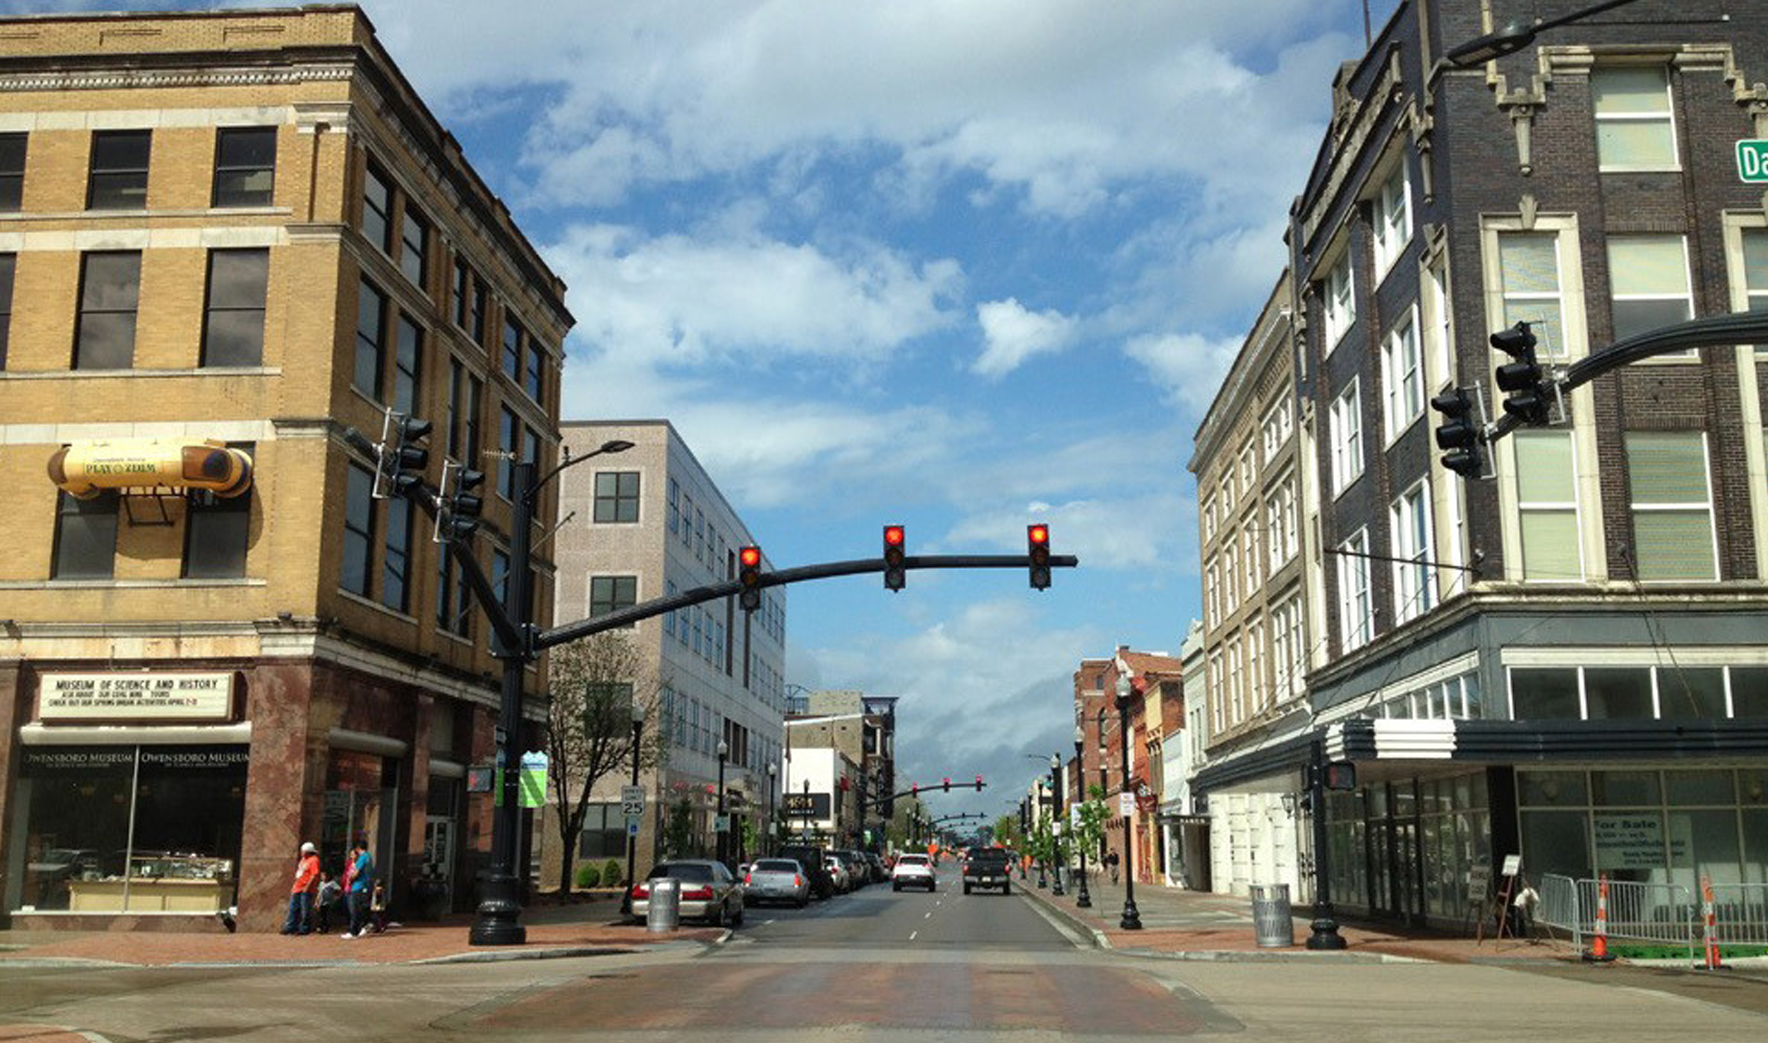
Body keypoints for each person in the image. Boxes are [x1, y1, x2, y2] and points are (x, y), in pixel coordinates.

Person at [281, 842, 320, 935]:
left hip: (306, 888)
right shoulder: (303, 860)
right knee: (293, 908)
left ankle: (304, 928)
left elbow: (314, 875)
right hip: (297, 887)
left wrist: (307, 886)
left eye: (303, 851)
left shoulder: (314, 860)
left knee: (305, 909)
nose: (301, 853)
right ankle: (290, 926)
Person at [342, 844, 374, 939]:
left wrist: (350, 879)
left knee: (355, 909)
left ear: (358, 848)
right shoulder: (369, 857)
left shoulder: (363, 858)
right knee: (361, 908)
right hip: (364, 885)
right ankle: (365, 925)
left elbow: (356, 872)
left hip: (358, 886)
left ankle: (354, 931)